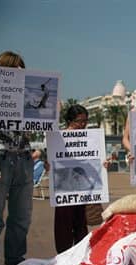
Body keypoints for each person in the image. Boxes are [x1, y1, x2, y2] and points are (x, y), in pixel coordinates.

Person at [0, 51, 33, 265]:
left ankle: (15, 258)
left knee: (22, 214)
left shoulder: (29, 97)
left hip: (24, 157)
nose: (21, 72)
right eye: (16, 69)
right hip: (0, 156)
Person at [52, 105, 91, 253]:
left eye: (85, 121)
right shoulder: (59, 138)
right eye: (79, 121)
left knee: (81, 222)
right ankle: (63, 255)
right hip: (64, 188)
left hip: (81, 187)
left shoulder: (88, 139)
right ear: (69, 121)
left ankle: (81, 255)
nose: (82, 125)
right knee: (64, 224)